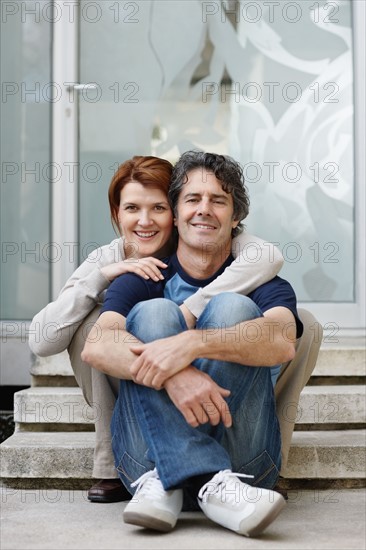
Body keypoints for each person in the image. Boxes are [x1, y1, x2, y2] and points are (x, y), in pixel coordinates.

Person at [82, 151, 321, 536]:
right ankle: (194, 480)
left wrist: (191, 344)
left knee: (232, 308)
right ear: (175, 216)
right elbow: (98, 344)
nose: (204, 210)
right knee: (156, 312)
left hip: (244, 465)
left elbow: (281, 341)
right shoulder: (145, 275)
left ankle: (195, 476)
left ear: (236, 217)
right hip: (146, 469)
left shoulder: (261, 281)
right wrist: (176, 375)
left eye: (219, 200)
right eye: (192, 199)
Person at [28, 155, 285, 503]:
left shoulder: (212, 237)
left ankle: (265, 447)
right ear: (116, 214)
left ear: (174, 212)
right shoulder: (112, 259)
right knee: (100, 324)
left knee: (296, 326)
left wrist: (191, 320)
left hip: (222, 397)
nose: (145, 221)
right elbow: (44, 341)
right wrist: (101, 278)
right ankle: (111, 464)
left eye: (159, 208)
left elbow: (268, 256)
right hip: (132, 385)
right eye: (132, 208)